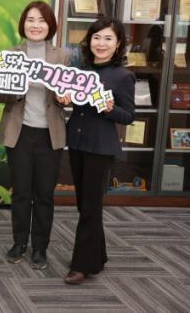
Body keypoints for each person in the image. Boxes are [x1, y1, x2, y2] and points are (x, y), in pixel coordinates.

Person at [0, 1, 70, 269]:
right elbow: (0, 95)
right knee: (21, 193)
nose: (36, 25)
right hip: (20, 132)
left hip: (50, 134)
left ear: (50, 26)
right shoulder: (10, 55)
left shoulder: (62, 56)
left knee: (44, 195)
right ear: (22, 24)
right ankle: (19, 242)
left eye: (42, 21)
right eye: (30, 20)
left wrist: (64, 98)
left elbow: (70, 95)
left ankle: (40, 248)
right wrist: (12, 89)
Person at [64, 17, 135, 284]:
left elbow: (128, 115)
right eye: (96, 37)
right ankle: (98, 256)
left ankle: (82, 265)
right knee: (85, 204)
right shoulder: (79, 71)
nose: (101, 43)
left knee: (90, 208)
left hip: (100, 147)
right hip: (77, 142)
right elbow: (72, 102)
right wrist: (62, 98)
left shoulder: (123, 76)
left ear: (118, 44)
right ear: (89, 41)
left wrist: (109, 109)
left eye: (108, 38)